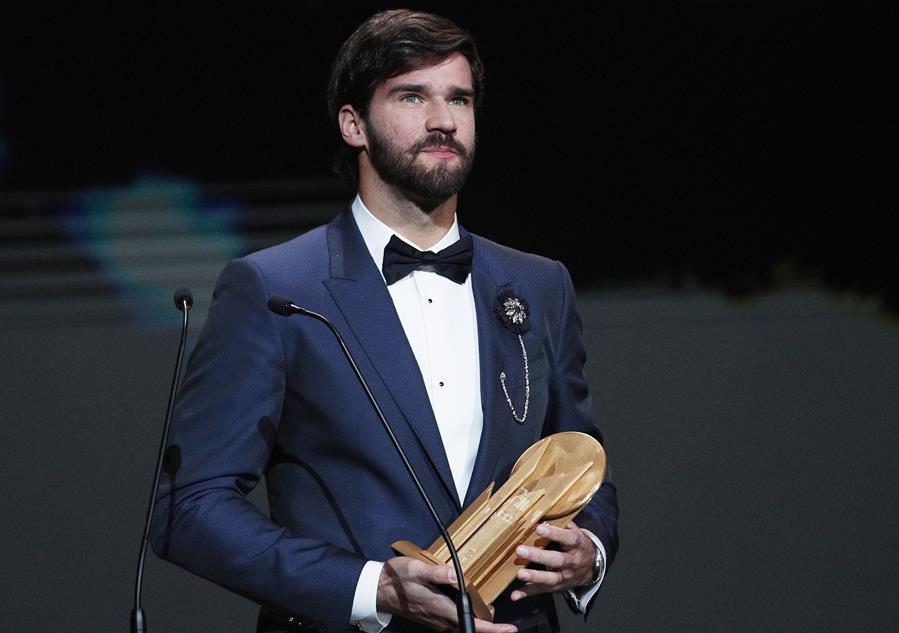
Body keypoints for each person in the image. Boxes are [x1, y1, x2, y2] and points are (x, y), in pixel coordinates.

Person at [150, 9, 618, 633]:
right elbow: (190, 507)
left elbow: (581, 461)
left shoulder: (538, 285)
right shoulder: (276, 288)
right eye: (411, 96)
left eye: (460, 98)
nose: (444, 120)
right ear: (353, 123)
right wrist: (371, 587)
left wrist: (590, 552)